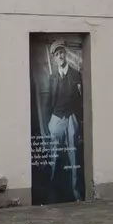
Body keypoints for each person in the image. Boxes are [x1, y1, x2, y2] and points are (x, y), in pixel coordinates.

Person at [36, 40, 84, 202]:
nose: (60, 56)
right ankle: (53, 193)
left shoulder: (76, 74)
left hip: (71, 118)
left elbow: (80, 101)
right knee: (54, 157)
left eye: (62, 53)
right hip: (56, 119)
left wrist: (78, 122)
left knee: (74, 157)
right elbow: (48, 102)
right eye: (56, 55)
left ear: (65, 54)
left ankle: (77, 194)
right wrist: (50, 123)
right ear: (54, 59)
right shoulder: (52, 77)